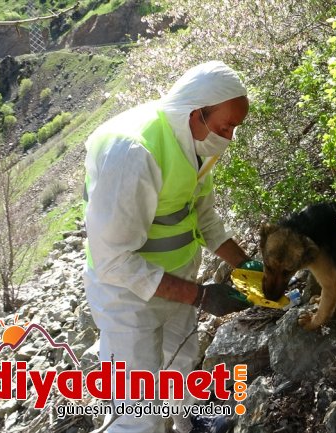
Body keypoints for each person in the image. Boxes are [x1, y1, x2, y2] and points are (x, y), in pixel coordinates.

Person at [83, 61, 260, 433]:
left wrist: (249, 268)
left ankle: (188, 421)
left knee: (180, 365)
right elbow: (113, 261)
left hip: (178, 279)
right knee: (138, 413)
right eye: (226, 126)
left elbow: (204, 218)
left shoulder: (200, 141)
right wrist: (200, 297)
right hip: (127, 298)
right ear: (197, 114)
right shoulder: (133, 153)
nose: (230, 137)